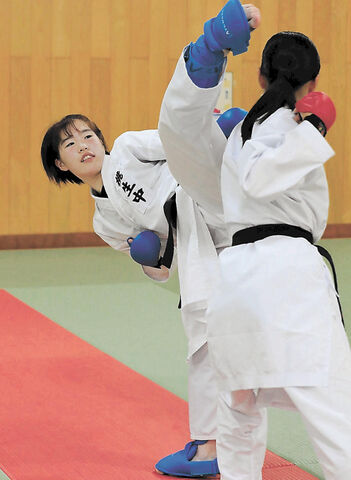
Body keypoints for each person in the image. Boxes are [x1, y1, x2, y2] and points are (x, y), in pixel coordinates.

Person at [159, 6, 351, 479]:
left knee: (239, 413)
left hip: (237, 280)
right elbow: (263, 178)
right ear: (312, 84)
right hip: (288, 276)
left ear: (262, 77)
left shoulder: (242, 134)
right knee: (333, 413)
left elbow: (182, 140)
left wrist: (210, 52)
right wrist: (315, 130)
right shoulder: (285, 131)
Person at [40, 102, 247, 477]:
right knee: (207, 343)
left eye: (88, 136)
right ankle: (213, 443)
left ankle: (213, 444)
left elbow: (176, 142)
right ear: (61, 164)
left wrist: (216, 130)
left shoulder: (128, 148)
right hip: (201, 249)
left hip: (209, 199)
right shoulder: (105, 222)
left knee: (226, 339)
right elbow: (160, 271)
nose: (84, 145)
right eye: (70, 145)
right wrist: (148, 258)